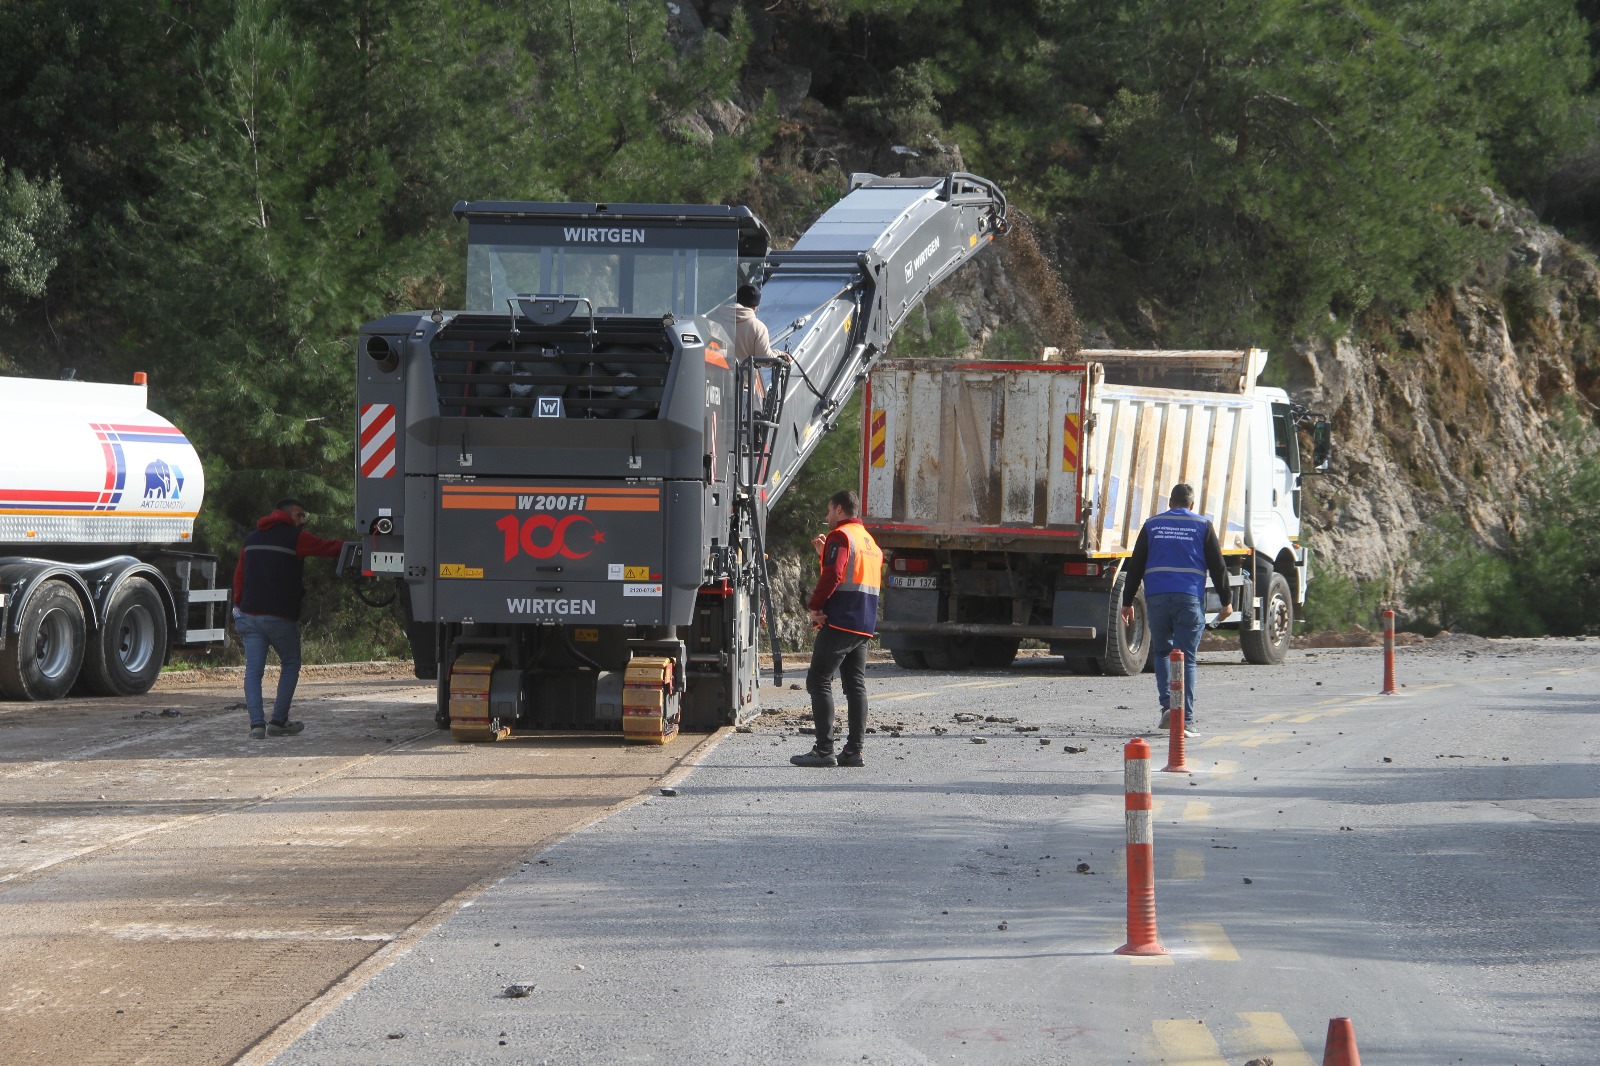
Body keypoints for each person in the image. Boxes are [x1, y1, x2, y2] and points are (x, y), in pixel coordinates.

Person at [1119, 483, 1233, 738]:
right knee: (1186, 658)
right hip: (1189, 599)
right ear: (1192, 505)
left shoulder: (1152, 525)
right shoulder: (1202, 525)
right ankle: (1186, 719)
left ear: (1169, 503)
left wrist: (1127, 602)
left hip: (1157, 598)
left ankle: (1167, 707)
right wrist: (1226, 601)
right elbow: (1218, 567)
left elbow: (1135, 565)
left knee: (1162, 652)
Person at [232, 498, 345, 739]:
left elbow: (239, 577)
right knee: (291, 664)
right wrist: (363, 547)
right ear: (286, 515)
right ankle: (278, 721)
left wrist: (238, 607)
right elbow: (330, 548)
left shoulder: (251, 539)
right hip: (280, 617)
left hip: (249, 616)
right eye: (300, 515)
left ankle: (256, 726)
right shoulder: (296, 538)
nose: (303, 520)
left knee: (253, 672)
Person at [791, 489, 883, 768]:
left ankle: (823, 750)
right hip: (863, 623)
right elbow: (848, 573)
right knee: (855, 685)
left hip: (841, 619)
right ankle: (854, 751)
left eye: (829, 510)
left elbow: (835, 574)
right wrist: (824, 556)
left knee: (818, 680)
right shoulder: (869, 542)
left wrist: (814, 606)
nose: (826, 516)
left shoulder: (840, 536)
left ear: (840, 510)